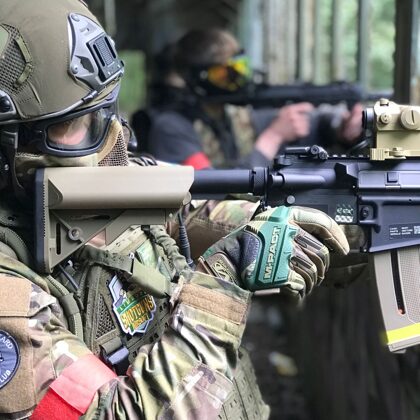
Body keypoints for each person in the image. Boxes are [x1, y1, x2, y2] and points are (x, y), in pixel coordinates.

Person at [0, 1, 349, 419]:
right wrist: (220, 282)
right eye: (76, 124)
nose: (117, 139)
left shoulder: (93, 189)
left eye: (108, 111)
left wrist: (328, 219)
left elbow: (197, 215)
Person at [133, 28, 363, 169]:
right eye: (225, 75)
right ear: (198, 78)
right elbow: (208, 192)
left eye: (240, 69)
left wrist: (339, 127)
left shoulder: (235, 115)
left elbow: (315, 122)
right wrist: (272, 137)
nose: (237, 81)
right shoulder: (171, 128)